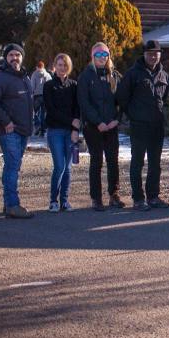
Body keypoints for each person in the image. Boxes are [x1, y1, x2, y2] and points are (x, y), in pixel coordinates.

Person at [117, 39, 169, 211]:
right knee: (137, 162)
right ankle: (138, 199)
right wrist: (133, 115)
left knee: (155, 163)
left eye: (156, 53)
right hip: (139, 126)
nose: (153, 56)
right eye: (149, 53)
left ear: (160, 54)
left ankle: (153, 196)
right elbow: (122, 98)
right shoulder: (133, 74)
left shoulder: (164, 76)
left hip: (157, 125)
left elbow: (165, 100)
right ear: (144, 54)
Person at [0, 43, 35, 219]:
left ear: (22, 57)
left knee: (13, 166)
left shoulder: (25, 77)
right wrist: (6, 121)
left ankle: (8, 205)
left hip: (23, 130)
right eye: (11, 55)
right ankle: (13, 205)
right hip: (9, 130)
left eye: (18, 55)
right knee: (12, 167)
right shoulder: (1, 78)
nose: (15, 58)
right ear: (6, 58)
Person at [77, 41, 124, 211]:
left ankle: (114, 194)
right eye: (98, 55)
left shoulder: (115, 76)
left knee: (113, 162)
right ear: (92, 57)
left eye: (105, 55)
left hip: (112, 126)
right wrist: (98, 122)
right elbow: (84, 102)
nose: (102, 58)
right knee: (96, 162)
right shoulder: (86, 76)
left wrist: (116, 120)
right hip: (93, 127)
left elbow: (122, 100)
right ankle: (96, 198)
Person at [43, 53, 80, 213]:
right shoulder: (49, 86)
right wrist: (70, 122)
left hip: (70, 133)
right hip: (55, 131)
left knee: (69, 167)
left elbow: (77, 109)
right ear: (54, 67)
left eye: (65, 65)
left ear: (69, 67)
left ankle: (64, 200)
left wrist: (75, 129)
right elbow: (51, 110)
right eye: (59, 65)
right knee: (60, 166)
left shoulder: (74, 85)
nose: (62, 68)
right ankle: (53, 200)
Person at [30, 60, 52, 136]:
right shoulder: (47, 75)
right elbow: (50, 85)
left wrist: (32, 93)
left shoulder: (34, 74)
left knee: (35, 112)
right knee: (43, 113)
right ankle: (43, 130)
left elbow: (32, 86)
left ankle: (38, 125)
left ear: (37, 67)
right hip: (45, 96)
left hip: (37, 96)